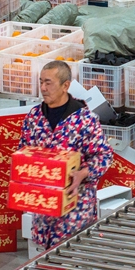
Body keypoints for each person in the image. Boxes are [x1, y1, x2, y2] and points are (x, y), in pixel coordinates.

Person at [18, 61, 113, 250]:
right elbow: (23, 152)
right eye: (41, 82)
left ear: (65, 86)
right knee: (48, 259)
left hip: (76, 207)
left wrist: (82, 174)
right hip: (44, 208)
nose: (43, 88)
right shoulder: (34, 117)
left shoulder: (84, 119)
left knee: (74, 259)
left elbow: (104, 156)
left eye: (49, 83)